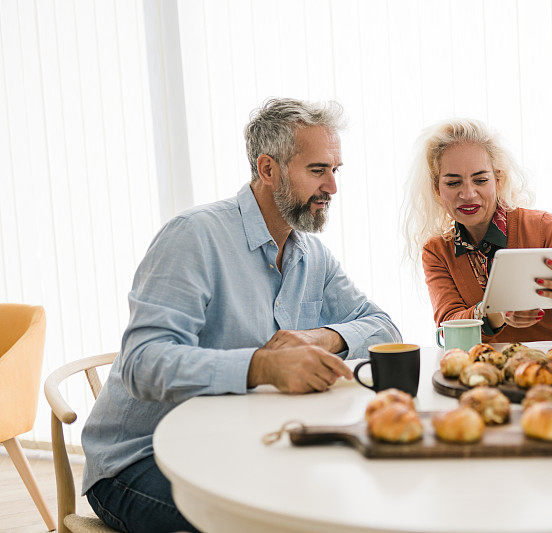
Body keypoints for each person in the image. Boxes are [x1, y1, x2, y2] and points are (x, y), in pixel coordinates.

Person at [82, 98, 402, 532]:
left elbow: (384, 326)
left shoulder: (312, 254)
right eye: (317, 170)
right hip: (140, 459)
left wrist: (321, 337)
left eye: (335, 170)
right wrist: (263, 365)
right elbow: (144, 363)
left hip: (232, 445)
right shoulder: (194, 236)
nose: (332, 187)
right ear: (267, 169)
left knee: (342, 503)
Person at [403, 118, 552, 344]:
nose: (468, 194)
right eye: (453, 183)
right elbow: (449, 332)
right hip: (486, 373)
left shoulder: (546, 229)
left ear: (498, 180)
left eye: (481, 180)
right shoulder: (437, 251)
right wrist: (497, 311)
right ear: (436, 189)